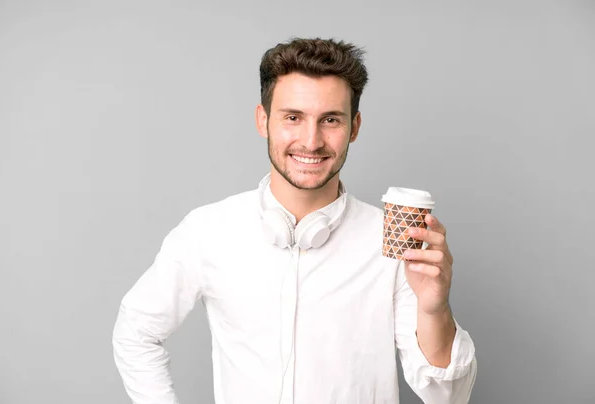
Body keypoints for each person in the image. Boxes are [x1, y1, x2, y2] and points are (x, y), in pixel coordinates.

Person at [112, 37, 477, 404]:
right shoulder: (207, 230)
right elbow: (136, 332)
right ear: (263, 120)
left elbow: (449, 396)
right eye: (293, 118)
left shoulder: (392, 241)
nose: (311, 141)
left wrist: (434, 309)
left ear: (354, 127)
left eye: (330, 120)